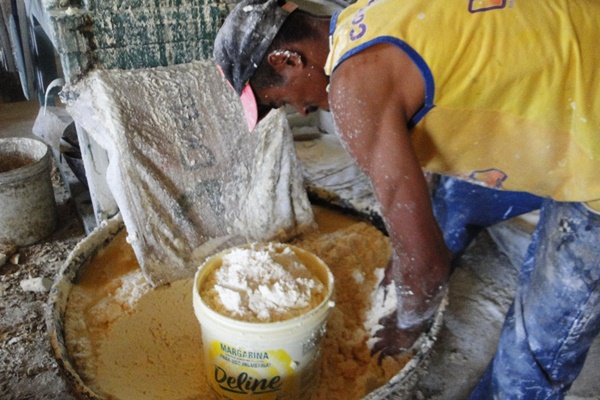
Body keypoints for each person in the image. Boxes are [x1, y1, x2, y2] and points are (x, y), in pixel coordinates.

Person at [213, 0, 600, 398]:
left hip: (592, 135)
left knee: (531, 347)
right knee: (453, 201)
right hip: (576, 48)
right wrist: (406, 252)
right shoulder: (365, 12)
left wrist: (408, 321)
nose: (300, 108)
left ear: (288, 59)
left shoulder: (353, 88)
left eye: (281, 99)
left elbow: (429, 266)